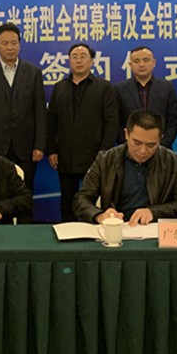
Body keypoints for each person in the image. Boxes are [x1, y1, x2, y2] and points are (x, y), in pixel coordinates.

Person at [73, 110, 177, 225]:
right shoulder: (106, 160)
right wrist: (100, 215)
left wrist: (153, 212)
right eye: (137, 143)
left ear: (160, 140)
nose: (143, 151)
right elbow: (81, 199)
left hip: (153, 228)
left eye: (151, 145)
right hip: (117, 227)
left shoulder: (172, 161)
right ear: (126, 134)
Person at [0, 23, 46, 201]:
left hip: (26, 146)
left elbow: (40, 112)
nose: (10, 47)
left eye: (14, 43)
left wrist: (39, 145)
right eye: (5, 43)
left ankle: (25, 219)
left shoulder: (33, 72)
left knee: (25, 191)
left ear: (19, 45)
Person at [47, 43, 119, 222]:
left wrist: (103, 154)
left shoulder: (104, 87)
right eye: (74, 57)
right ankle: (68, 234)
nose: (78, 60)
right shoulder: (59, 87)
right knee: (67, 202)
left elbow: (112, 124)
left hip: (94, 157)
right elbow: (51, 121)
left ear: (92, 61)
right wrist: (52, 150)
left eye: (83, 56)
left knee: (95, 203)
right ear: (69, 60)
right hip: (66, 156)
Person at [114, 46, 177, 148]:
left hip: (161, 148)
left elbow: (174, 120)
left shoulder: (167, 87)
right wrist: (129, 144)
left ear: (153, 62)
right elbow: (115, 121)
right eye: (136, 61)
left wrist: (160, 144)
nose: (141, 64)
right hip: (129, 149)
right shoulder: (119, 89)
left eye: (146, 60)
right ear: (130, 65)